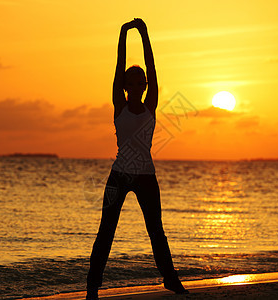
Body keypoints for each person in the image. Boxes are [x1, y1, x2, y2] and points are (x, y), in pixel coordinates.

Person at [86, 18, 188, 299]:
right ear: (127, 85)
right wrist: (122, 34)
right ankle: (92, 288)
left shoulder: (150, 105)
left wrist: (144, 34)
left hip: (146, 176)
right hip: (119, 174)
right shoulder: (119, 105)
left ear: (143, 85)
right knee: (105, 231)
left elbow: (153, 68)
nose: (138, 84)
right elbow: (118, 67)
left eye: (141, 81)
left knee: (156, 231)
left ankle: (171, 280)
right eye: (132, 82)